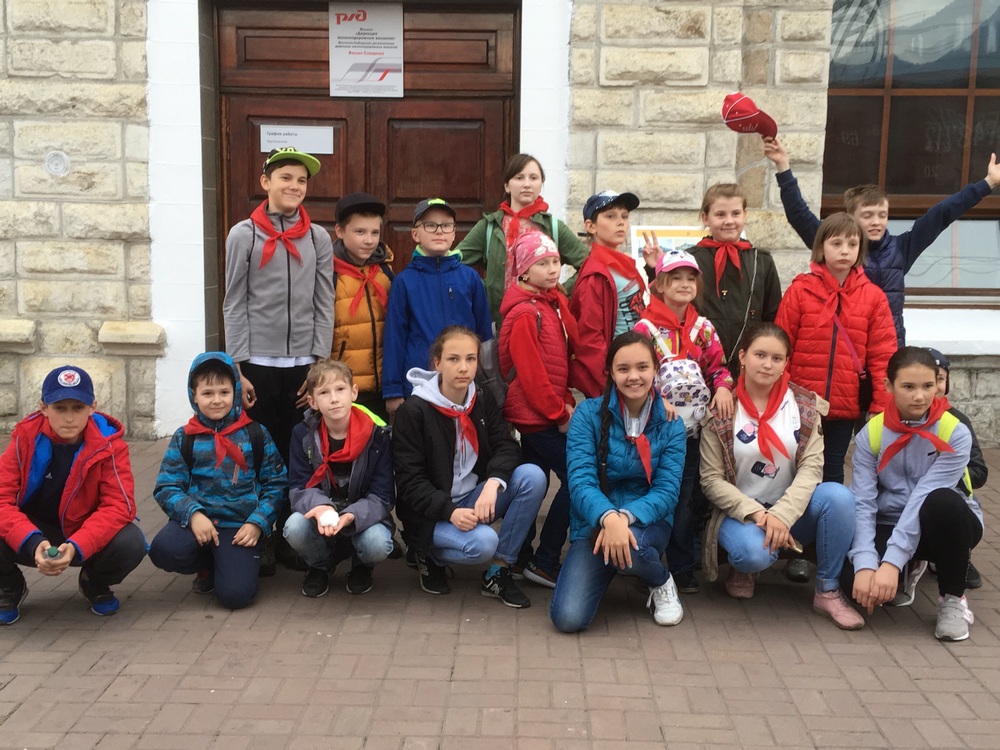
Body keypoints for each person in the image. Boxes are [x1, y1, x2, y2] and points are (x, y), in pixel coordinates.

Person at [700, 323, 863, 630]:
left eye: (777, 358)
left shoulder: (803, 405)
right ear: (743, 357)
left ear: (786, 362)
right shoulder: (722, 408)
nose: (767, 364)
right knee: (751, 554)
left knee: (839, 497)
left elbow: (811, 469)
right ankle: (746, 567)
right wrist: (761, 515)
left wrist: (782, 516)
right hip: (742, 514)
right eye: (760, 355)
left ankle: (827, 590)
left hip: (792, 511)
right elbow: (711, 480)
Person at [764, 138, 1000, 346]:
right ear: (851, 216)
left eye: (882, 215)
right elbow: (799, 214)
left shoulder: (901, 248)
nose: (876, 222)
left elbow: (941, 214)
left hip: (888, 352)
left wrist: (987, 183)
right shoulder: (835, 247)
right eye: (867, 215)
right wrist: (783, 166)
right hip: (846, 354)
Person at [222, 147, 333, 573]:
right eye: (286, 177)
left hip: (303, 365)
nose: (294, 186)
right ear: (266, 182)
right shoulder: (243, 235)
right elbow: (234, 300)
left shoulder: (318, 238)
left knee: (298, 451)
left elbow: (324, 300)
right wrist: (238, 367)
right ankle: (261, 533)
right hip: (258, 365)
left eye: (301, 180)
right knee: (259, 451)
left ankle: (290, 533)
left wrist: (319, 363)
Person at [392, 326, 546, 607]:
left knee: (532, 476)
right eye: (453, 359)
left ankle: (498, 572)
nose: (463, 368)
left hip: (472, 498)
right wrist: (449, 512)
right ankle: (426, 554)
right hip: (430, 514)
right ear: (437, 363)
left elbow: (507, 445)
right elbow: (409, 482)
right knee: (484, 543)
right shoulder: (413, 411)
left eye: (470, 359)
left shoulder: (481, 398)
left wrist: (493, 482)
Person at [550, 331, 687, 632]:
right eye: (623, 369)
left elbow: (667, 491)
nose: (633, 376)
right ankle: (616, 562)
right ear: (611, 372)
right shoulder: (587, 415)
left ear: (655, 369)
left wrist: (624, 518)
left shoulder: (671, 423)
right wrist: (608, 517)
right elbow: (580, 481)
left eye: (642, 367)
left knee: (633, 548)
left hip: (646, 522)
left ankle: (660, 580)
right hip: (595, 523)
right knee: (569, 618)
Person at [847, 347, 982, 641]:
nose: (919, 396)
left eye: (928, 386)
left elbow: (923, 495)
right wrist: (866, 563)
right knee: (853, 584)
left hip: (943, 523)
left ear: (938, 384)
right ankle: (907, 567)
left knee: (942, 502)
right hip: (891, 518)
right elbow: (863, 502)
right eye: (908, 387)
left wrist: (890, 563)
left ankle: (952, 599)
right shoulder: (872, 432)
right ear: (889, 386)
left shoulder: (955, 432)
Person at [0, 366, 146, 624]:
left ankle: (94, 581)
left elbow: (119, 505)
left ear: (92, 407)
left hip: (83, 529)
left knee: (131, 542)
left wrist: (79, 545)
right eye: (60, 408)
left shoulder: (110, 445)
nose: (69, 418)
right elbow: (2, 499)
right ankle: (9, 585)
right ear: (44, 408)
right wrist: (32, 541)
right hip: (34, 529)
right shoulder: (24, 439)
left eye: (77, 408)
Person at [149, 353, 286, 609]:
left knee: (236, 596)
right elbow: (167, 487)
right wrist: (192, 514)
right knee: (163, 550)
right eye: (207, 393)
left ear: (235, 392)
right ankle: (207, 565)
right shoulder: (184, 437)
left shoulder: (256, 434)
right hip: (198, 523)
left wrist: (258, 522)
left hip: (239, 525)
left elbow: (276, 484)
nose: (216, 400)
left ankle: (235, 562)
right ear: (194, 395)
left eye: (224, 392)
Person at [633, 248, 734, 595]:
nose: (684, 284)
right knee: (653, 491)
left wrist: (723, 388)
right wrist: (654, 398)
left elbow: (718, 367)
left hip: (692, 432)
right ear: (659, 284)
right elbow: (633, 373)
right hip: (654, 429)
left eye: (691, 278)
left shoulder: (703, 328)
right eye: (675, 277)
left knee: (686, 495)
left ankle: (681, 566)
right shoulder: (644, 328)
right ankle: (646, 560)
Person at [775, 213, 896, 485]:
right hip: (801, 402)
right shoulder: (800, 291)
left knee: (832, 469)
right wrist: (778, 393)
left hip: (845, 404)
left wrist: (880, 404)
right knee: (794, 468)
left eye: (852, 244)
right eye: (836, 243)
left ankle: (830, 513)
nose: (844, 251)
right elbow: (782, 347)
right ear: (821, 246)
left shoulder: (873, 297)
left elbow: (882, 356)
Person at [498, 231, 580, 587]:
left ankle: (519, 558)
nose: (552, 269)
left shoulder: (549, 304)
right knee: (578, 478)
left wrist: (568, 400)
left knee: (536, 482)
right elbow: (531, 374)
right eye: (542, 263)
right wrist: (559, 414)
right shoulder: (525, 313)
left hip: (541, 414)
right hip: (536, 417)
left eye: (555, 261)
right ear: (523, 271)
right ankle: (544, 561)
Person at [283, 360, 395, 598]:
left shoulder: (377, 435)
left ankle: (362, 565)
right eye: (324, 393)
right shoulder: (302, 433)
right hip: (323, 514)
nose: (334, 399)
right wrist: (321, 507)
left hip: (361, 516)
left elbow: (383, 495)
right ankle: (320, 565)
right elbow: (298, 487)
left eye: (340, 389)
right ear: (312, 401)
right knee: (294, 527)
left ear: (353, 392)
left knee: (378, 543)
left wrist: (351, 516)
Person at [382, 198, 493, 417]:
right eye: (430, 225)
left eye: (446, 225)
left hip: (464, 384)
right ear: (416, 234)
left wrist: (488, 382)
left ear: (454, 234)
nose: (439, 231)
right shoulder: (404, 281)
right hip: (419, 384)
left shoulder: (470, 278)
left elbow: (485, 335)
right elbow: (394, 337)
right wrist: (393, 390)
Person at [457, 153, 590, 324]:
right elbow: (455, 262)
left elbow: (588, 265)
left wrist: (561, 292)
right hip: (498, 321)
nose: (527, 184)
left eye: (533, 178)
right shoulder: (489, 227)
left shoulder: (553, 227)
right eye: (519, 178)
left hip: (540, 322)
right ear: (507, 186)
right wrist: (483, 289)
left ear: (541, 184)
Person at [681, 183, 782, 380]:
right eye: (720, 215)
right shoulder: (689, 260)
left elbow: (773, 316)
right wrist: (653, 269)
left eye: (736, 213)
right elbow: (672, 303)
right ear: (705, 217)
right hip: (700, 365)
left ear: (745, 214)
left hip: (749, 369)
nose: (729, 221)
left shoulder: (761, 261)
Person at [569, 190, 647, 398]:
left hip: (636, 368)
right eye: (610, 216)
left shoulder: (623, 265)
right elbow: (589, 338)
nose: (620, 222)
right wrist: (609, 382)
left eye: (624, 216)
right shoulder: (596, 274)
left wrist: (654, 267)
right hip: (615, 377)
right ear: (591, 226)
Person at [926, 347, 987, 589]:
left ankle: (958, 556)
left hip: (950, 496)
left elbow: (979, 472)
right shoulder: (894, 420)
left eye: (939, 379)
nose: (933, 387)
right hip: (907, 495)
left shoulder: (959, 422)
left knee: (952, 508)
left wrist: (949, 469)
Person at [331, 192, 395, 421]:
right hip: (344, 386)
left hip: (383, 385)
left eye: (374, 233)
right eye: (360, 232)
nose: (369, 240)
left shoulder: (386, 272)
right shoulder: (329, 274)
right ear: (340, 231)